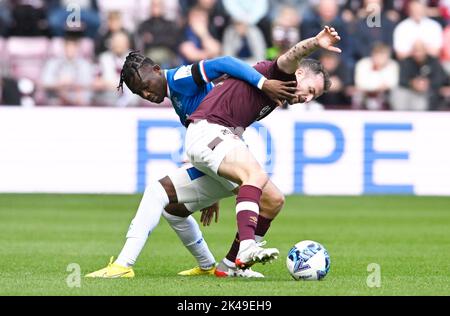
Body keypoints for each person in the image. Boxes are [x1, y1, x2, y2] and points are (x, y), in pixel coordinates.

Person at [85, 52, 297, 278]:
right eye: (140, 93)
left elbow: (224, 62)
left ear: (157, 70)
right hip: (216, 152)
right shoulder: (176, 95)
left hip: (221, 147)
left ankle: (123, 265)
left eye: (146, 86)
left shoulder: (177, 78)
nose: (147, 94)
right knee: (173, 210)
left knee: (157, 192)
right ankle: (210, 266)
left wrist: (262, 83)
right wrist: (213, 184)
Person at [184, 25, 340, 269]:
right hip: (208, 131)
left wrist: (212, 173)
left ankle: (230, 267)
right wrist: (316, 43)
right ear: (299, 74)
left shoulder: (273, 96)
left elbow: (234, 128)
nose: (307, 98)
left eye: (314, 97)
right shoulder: (282, 75)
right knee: (255, 174)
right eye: (310, 90)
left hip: (215, 137)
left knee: (274, 200)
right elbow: (293, 54)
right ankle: (247, 247)